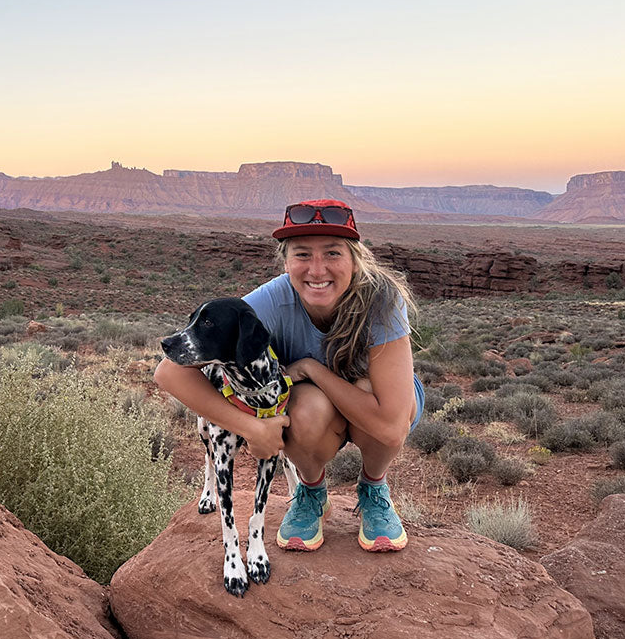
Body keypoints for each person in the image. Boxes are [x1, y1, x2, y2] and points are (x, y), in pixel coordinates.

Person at [154, 199, 423, 553]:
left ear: (355, 260)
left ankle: (373, 487)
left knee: (367, 389)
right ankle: (311, 492)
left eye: (332, 253)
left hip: (371, 409)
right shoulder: (271, 300)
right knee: (299, 404)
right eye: (301, 255)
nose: (317, 269)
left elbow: (391, 426)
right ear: (285, 262)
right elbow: (169, 373)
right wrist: (251, 428)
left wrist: (313, 369)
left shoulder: (382, 300)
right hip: (314, 413)